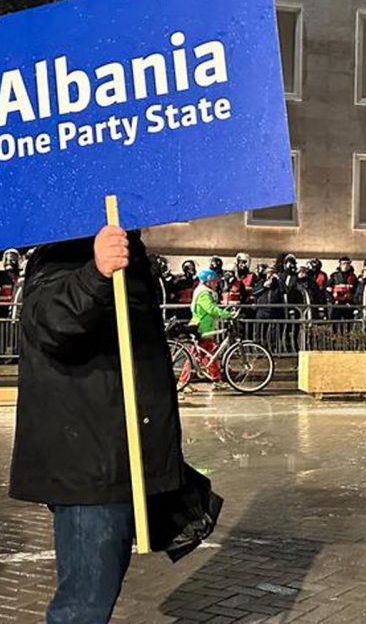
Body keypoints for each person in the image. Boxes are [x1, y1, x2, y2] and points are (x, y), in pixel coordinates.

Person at [13, 227, 219, 621]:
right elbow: (51, 322)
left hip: (117, 455)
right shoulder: (65, 252)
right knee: (83, 606)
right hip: (91, 465)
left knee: (92, 597)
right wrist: (96, 271)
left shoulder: (127, 249)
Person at [191, 268, 235, 386]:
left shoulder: (205, 291)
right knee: (193, 358)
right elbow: (211, 309)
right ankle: (182, 382)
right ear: (208, 282)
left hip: (207, 328)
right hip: (201, 327)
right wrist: (228, 314)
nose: (216, 284)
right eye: (214, 281)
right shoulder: (203, 293)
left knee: (210, 355)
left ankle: (216, 380)